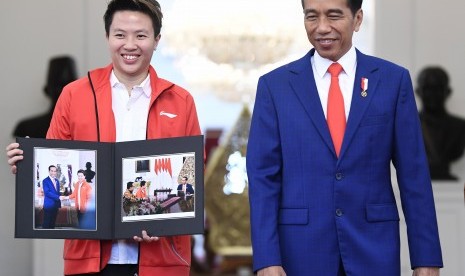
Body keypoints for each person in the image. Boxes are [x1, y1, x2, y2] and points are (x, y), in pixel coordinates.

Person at [246, 0, 443, 275]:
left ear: (358, 19)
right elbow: (262, 178)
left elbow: (414, 175)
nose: (322, 28)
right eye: (311, 16)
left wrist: (426, 258)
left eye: (334, 16)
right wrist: (267, 259)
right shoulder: (275, 87)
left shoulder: (392, 81)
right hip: (300, 251)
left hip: (374, 249)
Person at [6, 0, 201, 275]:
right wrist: (26, 166)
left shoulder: (181, 101)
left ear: (157, 40)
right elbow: (56, 162)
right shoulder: (74, 95)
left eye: (141, 35)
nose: (130, 45)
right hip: (88, 260)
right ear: (107, 37)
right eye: (120, 34)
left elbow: (193, 175)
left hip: (161, 260)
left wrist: (162, 220)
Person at [415, 66, 465, 180]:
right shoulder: (407, 125)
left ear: (447, 92)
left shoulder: (460, 127)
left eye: (437, 88)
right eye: (427, 89)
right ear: (418, 92)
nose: (432, 94)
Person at [12, 56, 77, 138]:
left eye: (67, 87)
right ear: (47, 91)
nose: (63, 91)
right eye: (57, 86)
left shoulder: (87, 127)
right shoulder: (26, 128)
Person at [41, 165, 62, 229]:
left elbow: (57, 192)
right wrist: (58, 197)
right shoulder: (45, 181)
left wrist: (59, 201)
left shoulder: (57, 181)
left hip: (55, 205)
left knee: (53, 223)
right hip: (48, 205)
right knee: (46, 223)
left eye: (55, 171)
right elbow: (47, 192)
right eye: (52, 171)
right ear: (49, 171)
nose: (53, 173)